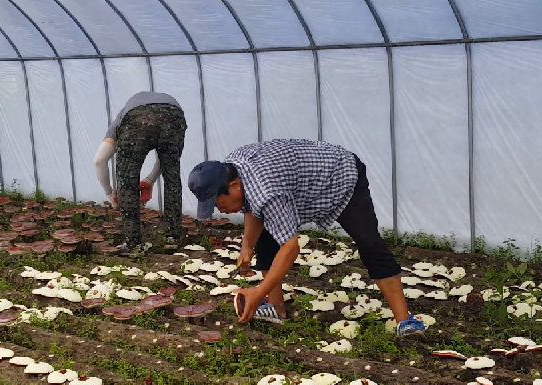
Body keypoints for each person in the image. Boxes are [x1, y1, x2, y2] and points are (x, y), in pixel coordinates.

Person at [187, 138, 426, 337]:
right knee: (266, 239)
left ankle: (405, 321)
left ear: (235, 185)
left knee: (369, 242)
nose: (219, 209)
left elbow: (290, 248)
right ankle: (276, 308)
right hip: (298, 183)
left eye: (219, 202)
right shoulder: (233, 167)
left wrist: (258, 292)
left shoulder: (268, 192)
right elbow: (253, 207)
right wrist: (247, 246)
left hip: (340, 175)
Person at [94, 91, 187, 253]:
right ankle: (173, 237)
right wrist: (150, 180)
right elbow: (166, 161)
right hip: (174, 114)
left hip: (137, 118)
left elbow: (99, 160)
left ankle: (133, 244)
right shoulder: (163, 105)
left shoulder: (120, 119)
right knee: (172, 177)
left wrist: (110, 193)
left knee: (127, 181)